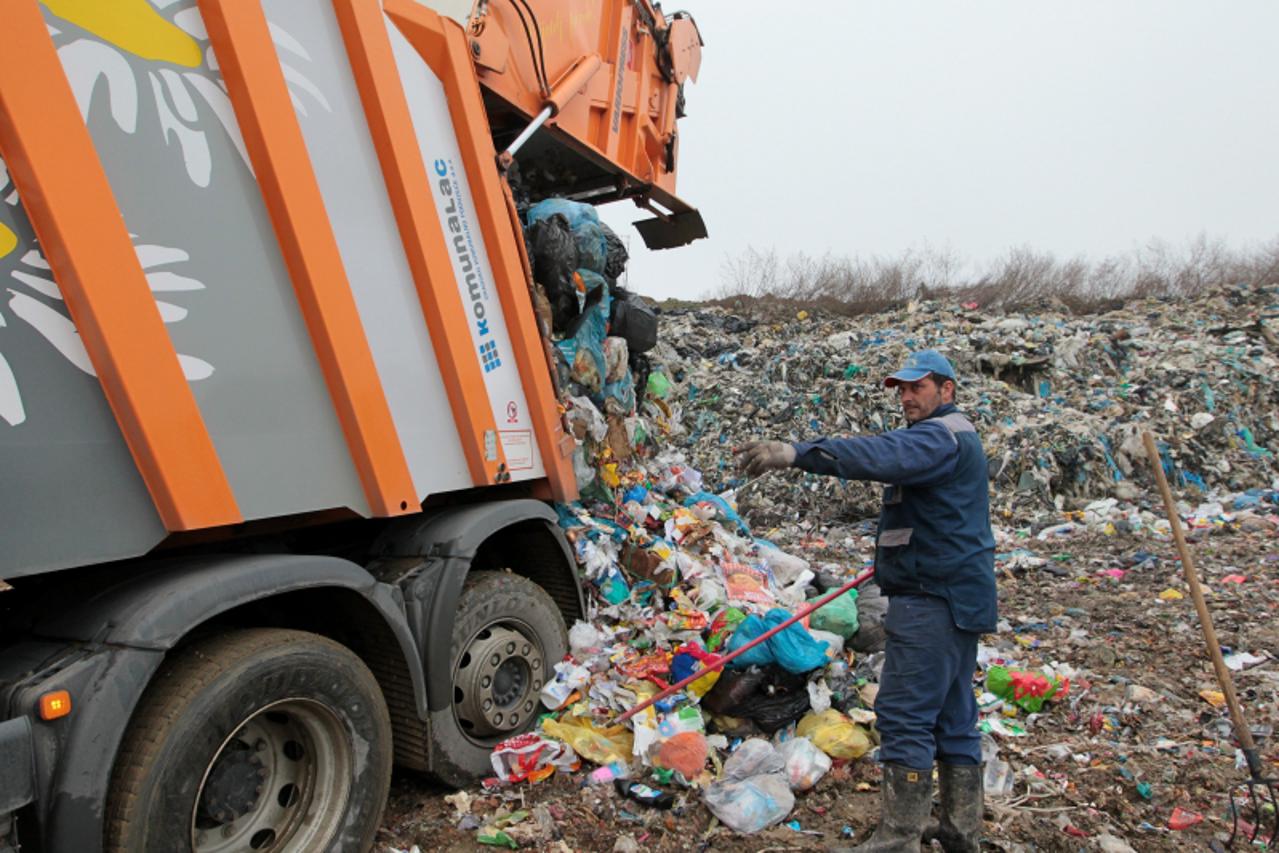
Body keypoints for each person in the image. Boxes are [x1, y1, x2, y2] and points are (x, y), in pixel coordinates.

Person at [736, 349, 996, 853]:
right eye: (900, 388)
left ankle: (898, 840)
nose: (905, 396)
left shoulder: (938, 437)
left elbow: (876, 455)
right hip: (958, 595)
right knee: (953, 714)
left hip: (934, 598)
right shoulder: (955, 436)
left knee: (904, 712)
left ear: (947, 389)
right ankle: (962, 833)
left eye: (916, 387)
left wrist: (796, 453)